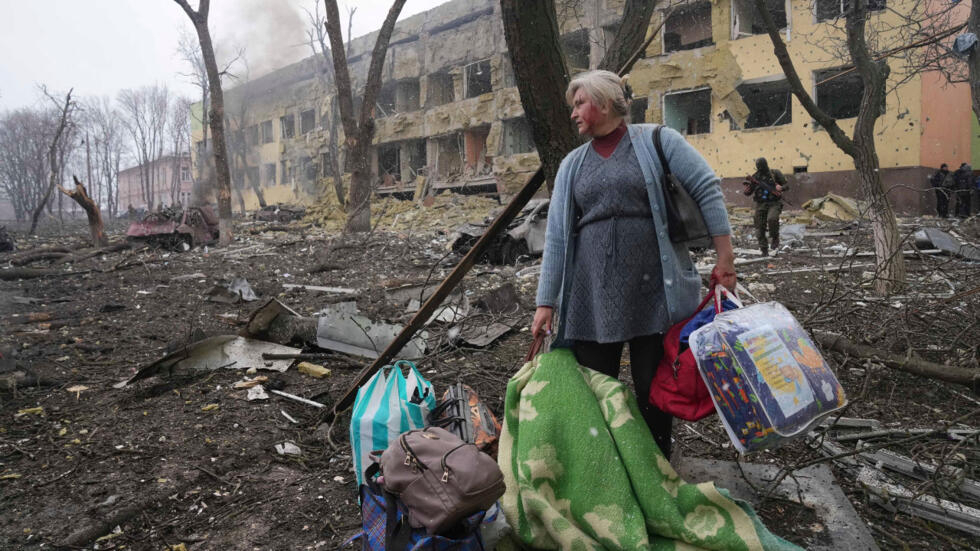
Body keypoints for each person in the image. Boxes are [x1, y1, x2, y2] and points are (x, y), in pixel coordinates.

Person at [530, 70, 736, 459]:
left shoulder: (657, 140)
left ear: (605, 103)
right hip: (592, 295)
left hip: (654, 290)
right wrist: (546, 302)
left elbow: (707, 188)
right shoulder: (573, 164)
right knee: (594, 390)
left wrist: (726, 259)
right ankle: (605, 472)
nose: (573, 113)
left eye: (579, 104)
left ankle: (656, 469)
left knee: (652, 391)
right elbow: (557, 236)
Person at [742, 158, 788, 256]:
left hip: (774, 203)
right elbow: (749, 192)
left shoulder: (775, 173)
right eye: (758, 166)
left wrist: (781, 188)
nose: (760, 168)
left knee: (772, 219)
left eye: (761, 165)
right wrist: (747, 190)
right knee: (759, 228)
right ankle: (764, 250)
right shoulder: (755, 177)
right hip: (760, 204)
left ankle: (775, 237)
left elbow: (787, 185)